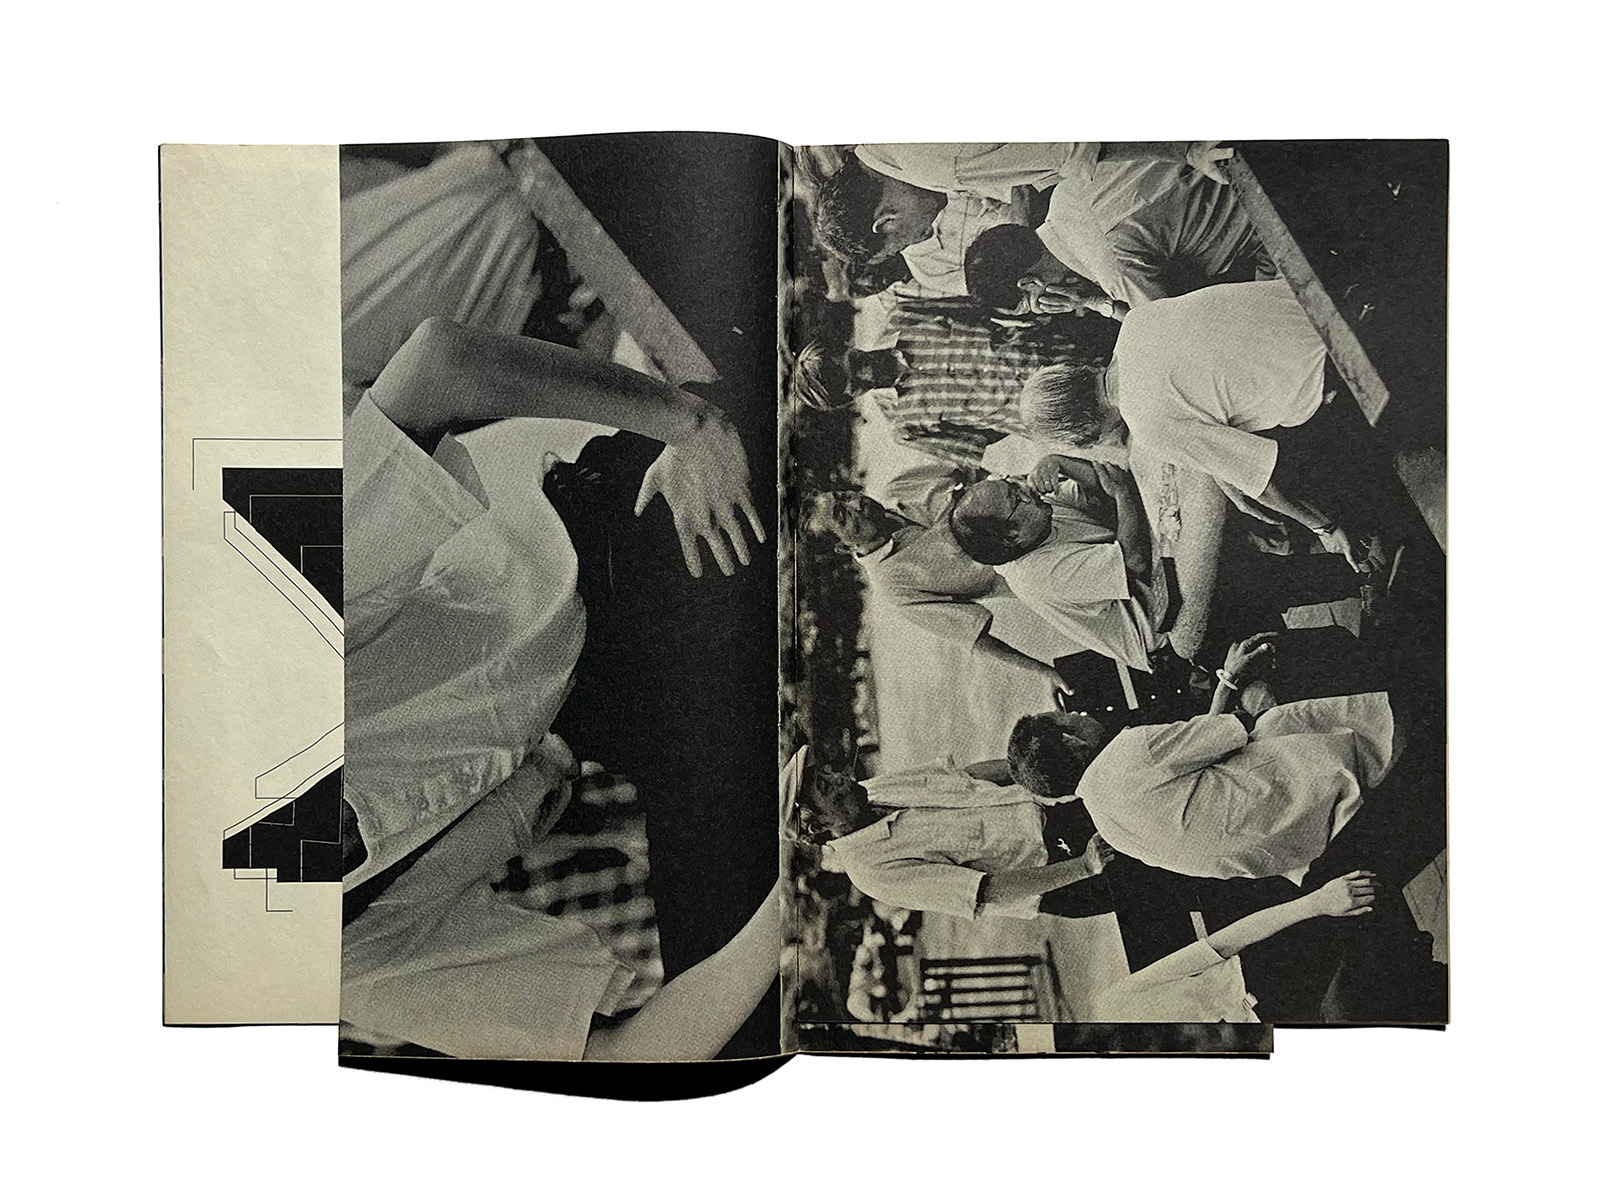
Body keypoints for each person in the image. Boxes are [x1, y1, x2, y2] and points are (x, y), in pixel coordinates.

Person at [341, 316, 775, 1061]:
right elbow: (628, 1056)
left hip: (580, 540)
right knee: (752, 1004)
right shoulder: (341, 959)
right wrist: (794, 882)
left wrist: (691, 427)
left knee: (757, 574)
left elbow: (438, 365)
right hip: (604, 715)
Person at [1012, 279, 1400, 574]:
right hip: (1329, 302)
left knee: (1279, 490)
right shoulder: (1135, 326)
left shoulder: (1149, 428)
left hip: (1345, 376)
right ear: (1075, 371)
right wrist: (1230, 480)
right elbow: (1152, 340)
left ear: (1083, 432)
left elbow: (1265, 479)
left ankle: (1383, 535)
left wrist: (1325, 529)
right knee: (1243, 475)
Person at [1006, 633, 1401, 882]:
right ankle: (1386, 669)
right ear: (1071, 741)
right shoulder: (1125, 753)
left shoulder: (1110, 830)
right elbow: (1235, 728)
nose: (1079, 714)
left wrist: (1225, 685)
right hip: (1304, 796)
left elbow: (1204, 746)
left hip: (1295, 853)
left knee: (1251, 709)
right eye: (1069, 718)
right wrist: (1229, 677)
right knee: (1263, 698)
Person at [789, 292, 1120, 467]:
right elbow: (985, 454)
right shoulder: (905, 427)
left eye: (856, 362)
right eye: (858, 385)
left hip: (1086, 349)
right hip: (1080, 420)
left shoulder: (905, 315)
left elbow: (986, 306)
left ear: (846, 346)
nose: (867, 372)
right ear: (851, 399)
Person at [789, 747, 1116, 921]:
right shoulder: (870, 871)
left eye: (827, 773)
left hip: (1058, 812)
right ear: (817, 826)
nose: (840, 778)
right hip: (1063, 873)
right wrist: (1084, 867)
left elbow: (966, 777)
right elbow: (986, 890)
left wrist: (1055, 768)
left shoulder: (871, 790)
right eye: (825, 787)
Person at [809, 477, 1063, 696]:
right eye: (843, 515)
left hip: (1051, 509)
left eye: (844, 495)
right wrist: (1047, 672)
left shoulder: (899, 490)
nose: (856, 503)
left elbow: (975, 477)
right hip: (1045, 576)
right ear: (843, 547)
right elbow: (975, 638)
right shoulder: (895, 586)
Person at [1090, 870, 1381, 1022]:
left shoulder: (1115, 1006)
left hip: (1270, 967)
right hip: (1294, 1021)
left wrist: (1317, 902)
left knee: (1361, 894)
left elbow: (1226, 942)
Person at [962, 171, 1273, 312]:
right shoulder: (1064, 194)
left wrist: (1096, 302)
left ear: (1030, 284)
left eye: (1033, 305)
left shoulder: (1112, 269)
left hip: (1265, 216)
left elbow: (1172, 327)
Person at [947, 472, 1164, 673]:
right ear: (1012, 536)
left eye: (1011, 483)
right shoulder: (1035, 574)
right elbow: (1135, 561)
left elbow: (1102, 488)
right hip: (1162, 630)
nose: (1026, 488)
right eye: (1016, 496)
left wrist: (1059, 462)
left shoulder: (1036, 517)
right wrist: (1123, 493)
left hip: (1156, 578)